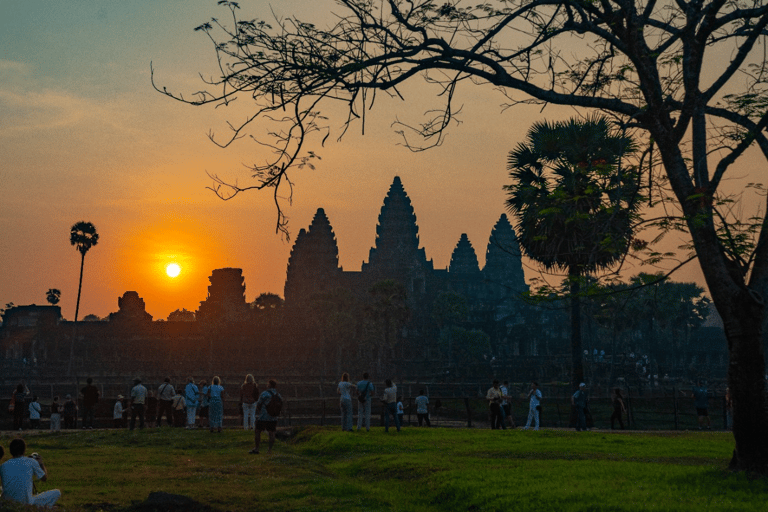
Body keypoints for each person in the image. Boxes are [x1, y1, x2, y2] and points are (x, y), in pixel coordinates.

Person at [0, 438, 61, 507]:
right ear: (24, 450)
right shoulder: (31, 461)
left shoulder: (3, 466)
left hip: (7, 503)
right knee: (57, 492)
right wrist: (41, 464)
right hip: (27, 503)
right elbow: (44, 478)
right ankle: (46, 508)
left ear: (10, 451)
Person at [251, 379, 283, 454]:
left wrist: (260, 411)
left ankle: (257, 448)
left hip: (263, 416)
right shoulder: (278, 395)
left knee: (258, 431)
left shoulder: (265, 393)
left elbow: (258, 404)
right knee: (272, 433)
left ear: (269, 385)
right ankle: (269, 450)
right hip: (273, 417)